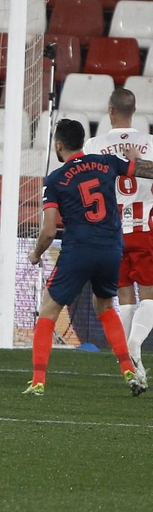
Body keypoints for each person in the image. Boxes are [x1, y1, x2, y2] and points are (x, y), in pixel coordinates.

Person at [25, 119, 146, 396]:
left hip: (78, 250)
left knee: (49, 310)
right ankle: (127, 367)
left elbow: (48, 230)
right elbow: (145, 171)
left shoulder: (55, 179)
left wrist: (36, 254)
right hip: (111, 249)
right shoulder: (106, 162)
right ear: (83, 141)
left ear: (58, 145)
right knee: (105, 307)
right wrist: (135, 160)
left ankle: (38, 381)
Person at [82, 88, 153, 387]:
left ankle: (128, 366)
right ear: (134, 111)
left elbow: (85, 182)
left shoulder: (94, 145)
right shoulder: (150, 143)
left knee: (124, 298)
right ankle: (134, 345)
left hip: (110, 232)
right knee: (149, 296)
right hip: (145, 229)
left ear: (110, 110)